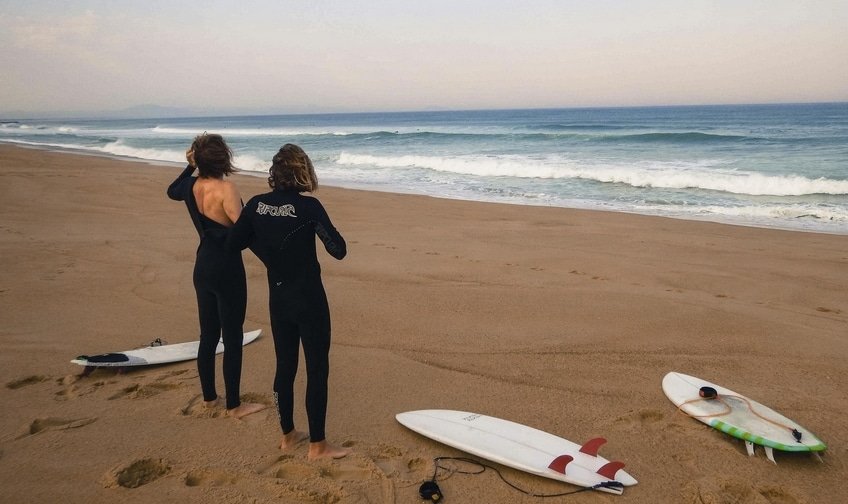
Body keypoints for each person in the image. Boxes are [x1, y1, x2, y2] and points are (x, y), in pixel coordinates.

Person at [228, 144, 349, 460]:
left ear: (275, 173)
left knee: (285, 367)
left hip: (279, 300)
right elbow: (338, 249)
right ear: (303, 171)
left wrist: (270, 256)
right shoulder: (309, 207)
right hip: (310, 300)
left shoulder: (256, 205)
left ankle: (288, 436)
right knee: (317, 368)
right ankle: (318, 445)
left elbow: (234, 242)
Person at [167, 133, 265, 419]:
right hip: (227, 268)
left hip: (203, 266)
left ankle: (210, 398)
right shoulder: (227, 188)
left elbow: (171, 190)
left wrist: (189, 167)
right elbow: (243, 232)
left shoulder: (191, 185)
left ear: (199, 159)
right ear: (224, 158)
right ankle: (234, 405)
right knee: (232, 336)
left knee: (208, 335)